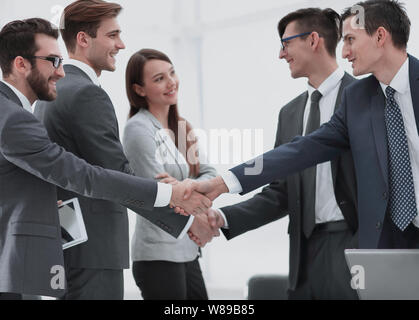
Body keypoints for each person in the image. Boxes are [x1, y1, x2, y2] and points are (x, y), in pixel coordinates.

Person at [0, 17, 211, 300]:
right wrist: (171, 194)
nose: (61, 73)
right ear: (21, 64)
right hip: (34, 255)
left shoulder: (18, 113)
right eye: (52, 61)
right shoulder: (13, 118)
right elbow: (83, 174)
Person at [188, 0, 419, 251]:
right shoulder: (357, 100)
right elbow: (300, 151)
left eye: (351, 40)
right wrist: (221, 183)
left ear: (380, 36)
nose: (344, 52)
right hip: (388, 245)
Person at [196, 8, 359, 300]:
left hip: (354, 247)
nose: (281, 55)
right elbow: (281, 193)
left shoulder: (364, 98)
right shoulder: (290, 114)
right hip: (303, 255)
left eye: (286, 44)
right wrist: (224, 216)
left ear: (313, 40)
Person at [123, 48, 217, 300]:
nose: (171, 82)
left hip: (188, 250)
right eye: (159, 78)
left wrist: (183, 186)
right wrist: (176, 192)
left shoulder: (182, 127)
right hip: (158, 255)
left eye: (171, 73)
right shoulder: (137, 130)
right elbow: (156, 194)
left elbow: (210, 173)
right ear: (139, 89)